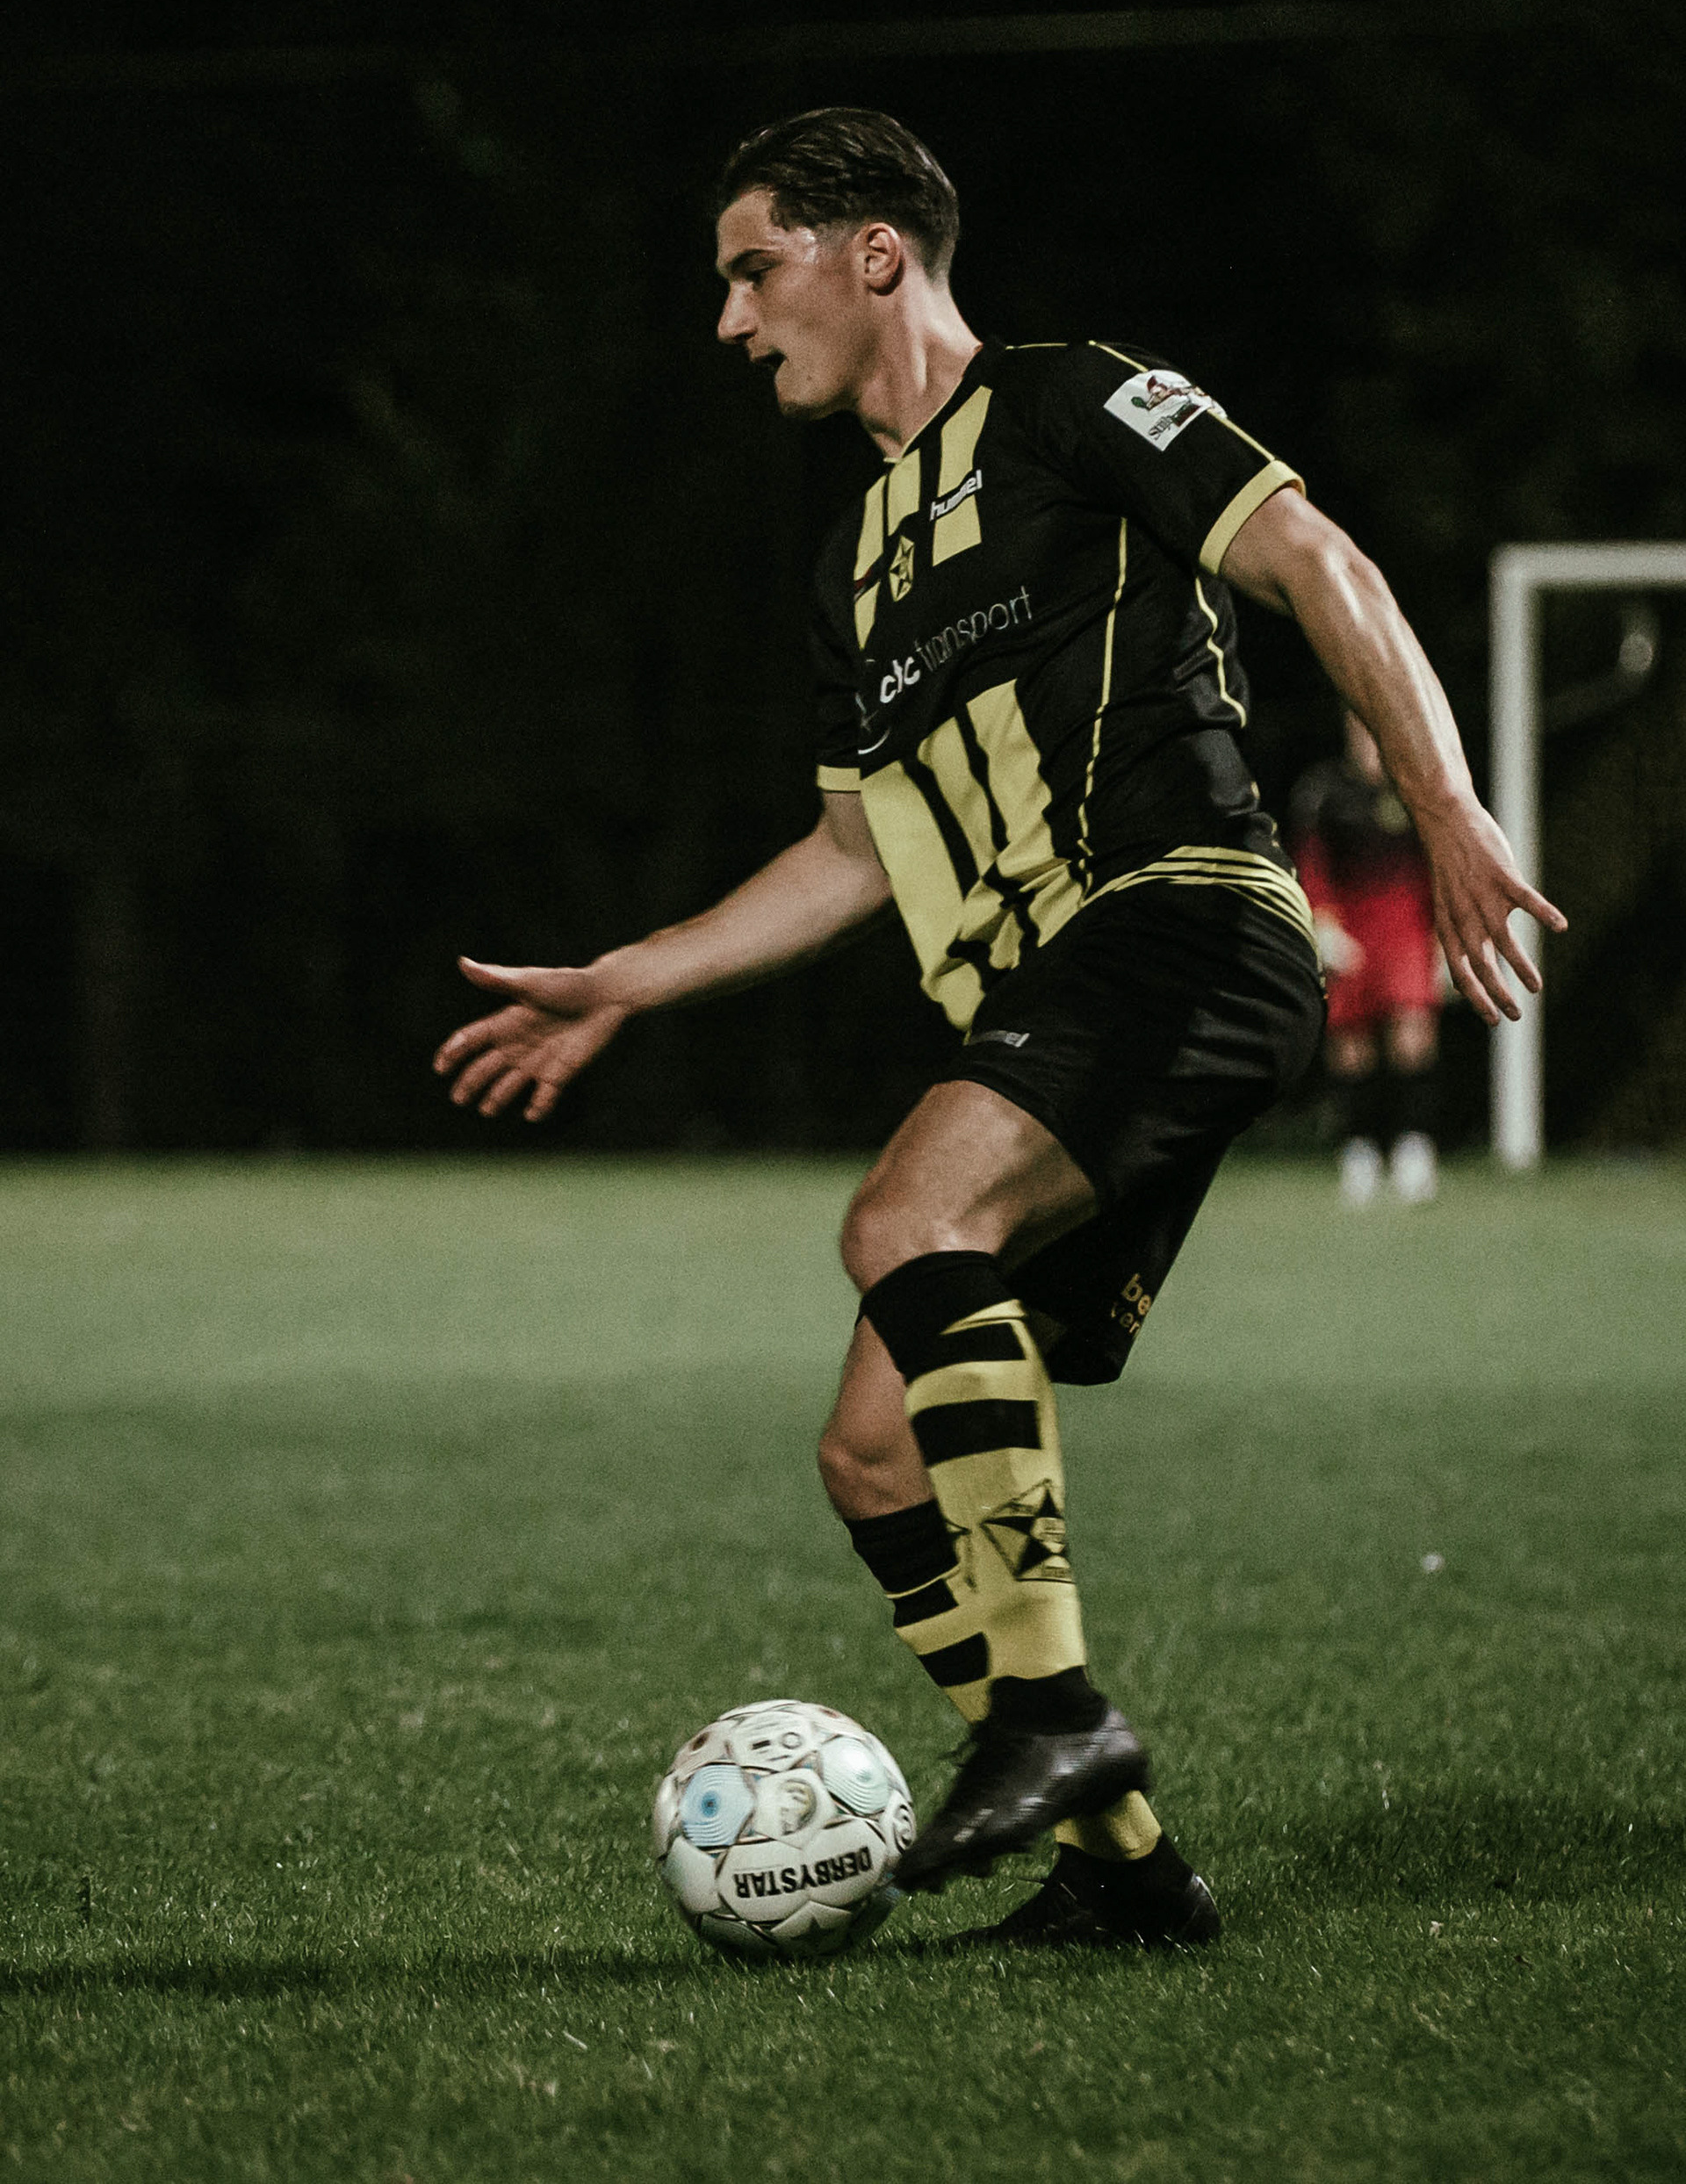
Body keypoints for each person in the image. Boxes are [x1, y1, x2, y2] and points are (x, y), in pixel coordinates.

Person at [432, 106, 1566, 1950]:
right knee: (872, 1452)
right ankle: (1125, 1869)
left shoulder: (1070, 399)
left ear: (875, 251)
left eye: (753, 269)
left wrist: (1443, 804)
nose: (730, 319)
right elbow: (850, 851)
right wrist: (628, 975)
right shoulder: (852, 566)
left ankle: (1050, 1715)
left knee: (904, 1220)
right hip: (1059, 995)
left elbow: (1315, 557)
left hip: (1183, 914)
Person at [1292, 708, 1445, 1204]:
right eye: (1360, 729)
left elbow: (1437, 866)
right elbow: (1310, 864)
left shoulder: (1419, 787)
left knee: (1412, 1036)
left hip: (1405, 925)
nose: (1369, 740)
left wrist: (1443, 935)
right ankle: (1359, 1150)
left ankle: (1414, 1147)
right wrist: (1323, 925)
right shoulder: (1323, 792)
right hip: (1351, 927)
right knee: (1351, 1047)